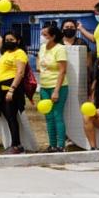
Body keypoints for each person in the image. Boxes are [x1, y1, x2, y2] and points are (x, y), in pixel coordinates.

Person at [0, 9, 28, 154]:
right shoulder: (5, 51)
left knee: (12, 117)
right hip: (1, 87)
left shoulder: (20, 53)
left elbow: (20, 72)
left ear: (18, 41)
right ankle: (15, 144)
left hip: (11, 87)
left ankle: (17, 145)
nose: (8, 41)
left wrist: (12, 89)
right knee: (8, 116)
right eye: (7, 39)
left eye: (12, 40)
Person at [37, 24, 69, 153]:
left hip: (57, 87)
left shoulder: (60, 49)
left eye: (45, 35)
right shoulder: (43, 47)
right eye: (42, 34)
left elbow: (62, 71)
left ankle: (61, 145)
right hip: (44, 86)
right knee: (48, 116)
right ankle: (52, 145)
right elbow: (39, 60)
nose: (42, 37)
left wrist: (56, 90)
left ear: (53, 36)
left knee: (57, 115)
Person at [61, 18, 95, 86]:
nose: (69, 29)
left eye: (71, 27)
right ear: (62, 29)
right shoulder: (58, 43)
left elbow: (88, 58)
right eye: (67, 27)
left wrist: (88, 71)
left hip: (79, 76)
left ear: (76, 30)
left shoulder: (81, 42)